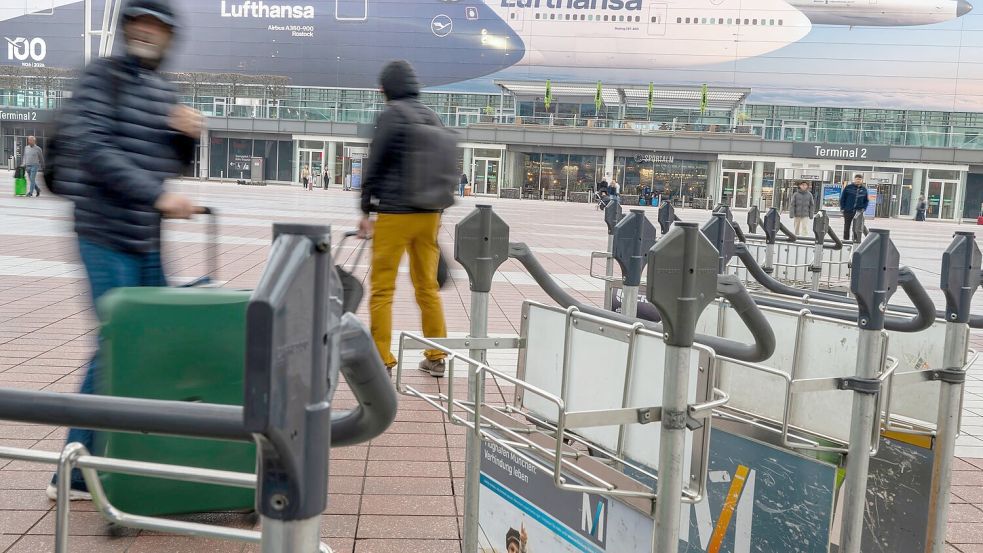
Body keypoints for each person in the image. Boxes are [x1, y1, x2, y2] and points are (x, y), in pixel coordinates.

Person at [48, 0, 202, 501]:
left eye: (156, 25)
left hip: (146, 237)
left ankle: (131, 453)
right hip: (102, 231)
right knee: (116, 340)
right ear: (125, 26)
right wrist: (155, 195)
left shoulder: (163, 90)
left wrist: (187, 139)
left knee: (153, 341)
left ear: (169, 35)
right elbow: (92, 149)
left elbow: (166, 163)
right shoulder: (100, 78)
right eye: (138, 22)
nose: (145, 31)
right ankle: (71, 470)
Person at [358, 60, 448, 377]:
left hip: (395, 214)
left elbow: (375, 164)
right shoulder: (432, 116)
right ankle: (436, 356)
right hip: (430, 215)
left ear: (387, 88)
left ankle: (382, 359)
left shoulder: (391, 115)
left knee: (383, 289)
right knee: (427, 288)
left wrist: (365, 210)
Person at [840, 174, 869, 241]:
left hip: (858, 211)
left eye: (859, 179)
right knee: (847, 226)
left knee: (856, 227)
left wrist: (864, 208)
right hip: (848, 210)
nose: (858, 180)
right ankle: (846, 240)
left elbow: (866, 201)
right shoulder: (848, 188)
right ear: (854, 179)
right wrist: (842, 208)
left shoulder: (864, 190)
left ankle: (855, 240)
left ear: (862, 180)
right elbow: (843, 198)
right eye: (857, 179)